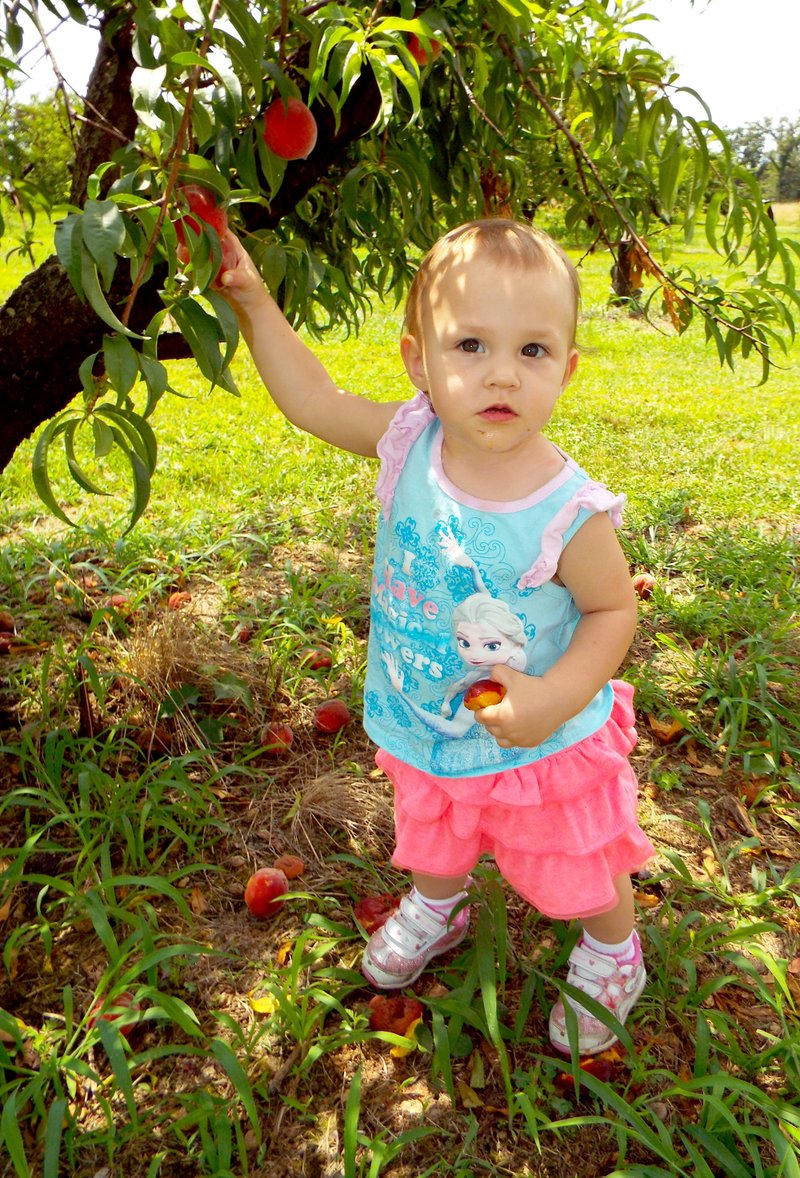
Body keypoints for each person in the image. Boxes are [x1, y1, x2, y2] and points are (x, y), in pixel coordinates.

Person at [217, 218, 655, 1055]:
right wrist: (252, 299)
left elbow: (612, 611)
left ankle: (612, 950)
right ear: (420, 361)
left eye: (532, 352)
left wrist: (555, 698)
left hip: (541, 739)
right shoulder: (411, 441)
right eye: (470, 345)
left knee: (577, 855)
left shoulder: (568, 510)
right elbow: (312, 401)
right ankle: (439, 904)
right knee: (436, 821)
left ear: (566, 370)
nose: (501, 373)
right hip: (429, 709)